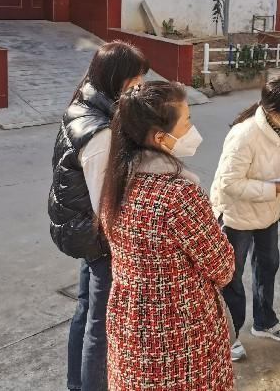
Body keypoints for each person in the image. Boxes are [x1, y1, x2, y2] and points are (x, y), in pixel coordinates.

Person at [100, 81, 235, 390]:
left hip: (131, 330)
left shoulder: (116, 184)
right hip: (182, 335)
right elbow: (223, 267)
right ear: (160, 138)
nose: (192, 130)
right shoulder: (179, 195)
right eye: (186, 122)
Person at [48, 40, 148, 391]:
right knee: (101, 325)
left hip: (81, 227)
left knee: (86, 309)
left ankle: (76, 383)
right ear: (117, 79)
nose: (139, 86)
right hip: (97, 235)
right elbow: (105, 201)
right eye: (135, 80)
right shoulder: (100, 130)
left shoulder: (83, 105)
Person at [210, 78, 280, 360]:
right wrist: (271, 189)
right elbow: (229, 183)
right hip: (237, 216)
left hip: (267, 212)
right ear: (275, 111)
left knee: (268, 265)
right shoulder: (245, 135)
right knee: (231, 277)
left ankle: (264, 321)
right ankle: (228, 336)